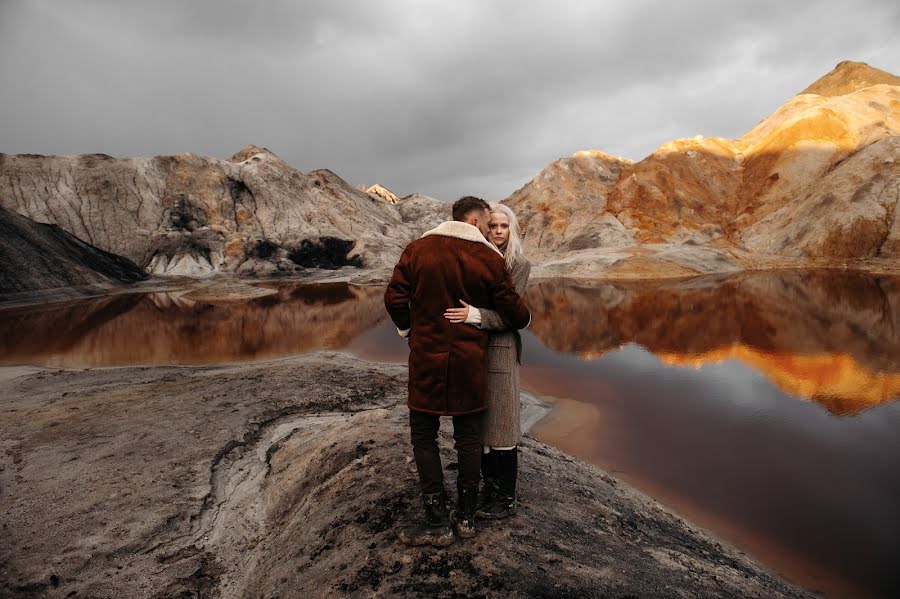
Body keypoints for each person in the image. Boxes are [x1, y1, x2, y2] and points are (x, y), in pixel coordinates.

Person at [384, 196, 531, 545]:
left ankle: (436, 522)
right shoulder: (489, 259)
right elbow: (519, 316)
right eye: (489, 224)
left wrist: (410, 331)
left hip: (425, 361)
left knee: (424, 436)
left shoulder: (417, 249)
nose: (492, 231)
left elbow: (394, 298)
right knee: (468, 438)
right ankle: (465, 517)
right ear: (478, 222)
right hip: (471, 363)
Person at [443, 203, 530, 520]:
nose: (497, 231)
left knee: (502, 426)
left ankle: (505, 499)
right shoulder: (473, 260)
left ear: (512, 230)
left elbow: (512, 316)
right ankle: (486, 492)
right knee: (479, 429)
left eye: (503, 227)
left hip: (500, 352)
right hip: (471, 353)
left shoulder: (518, 265)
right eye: (492, 226)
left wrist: (474, 315)